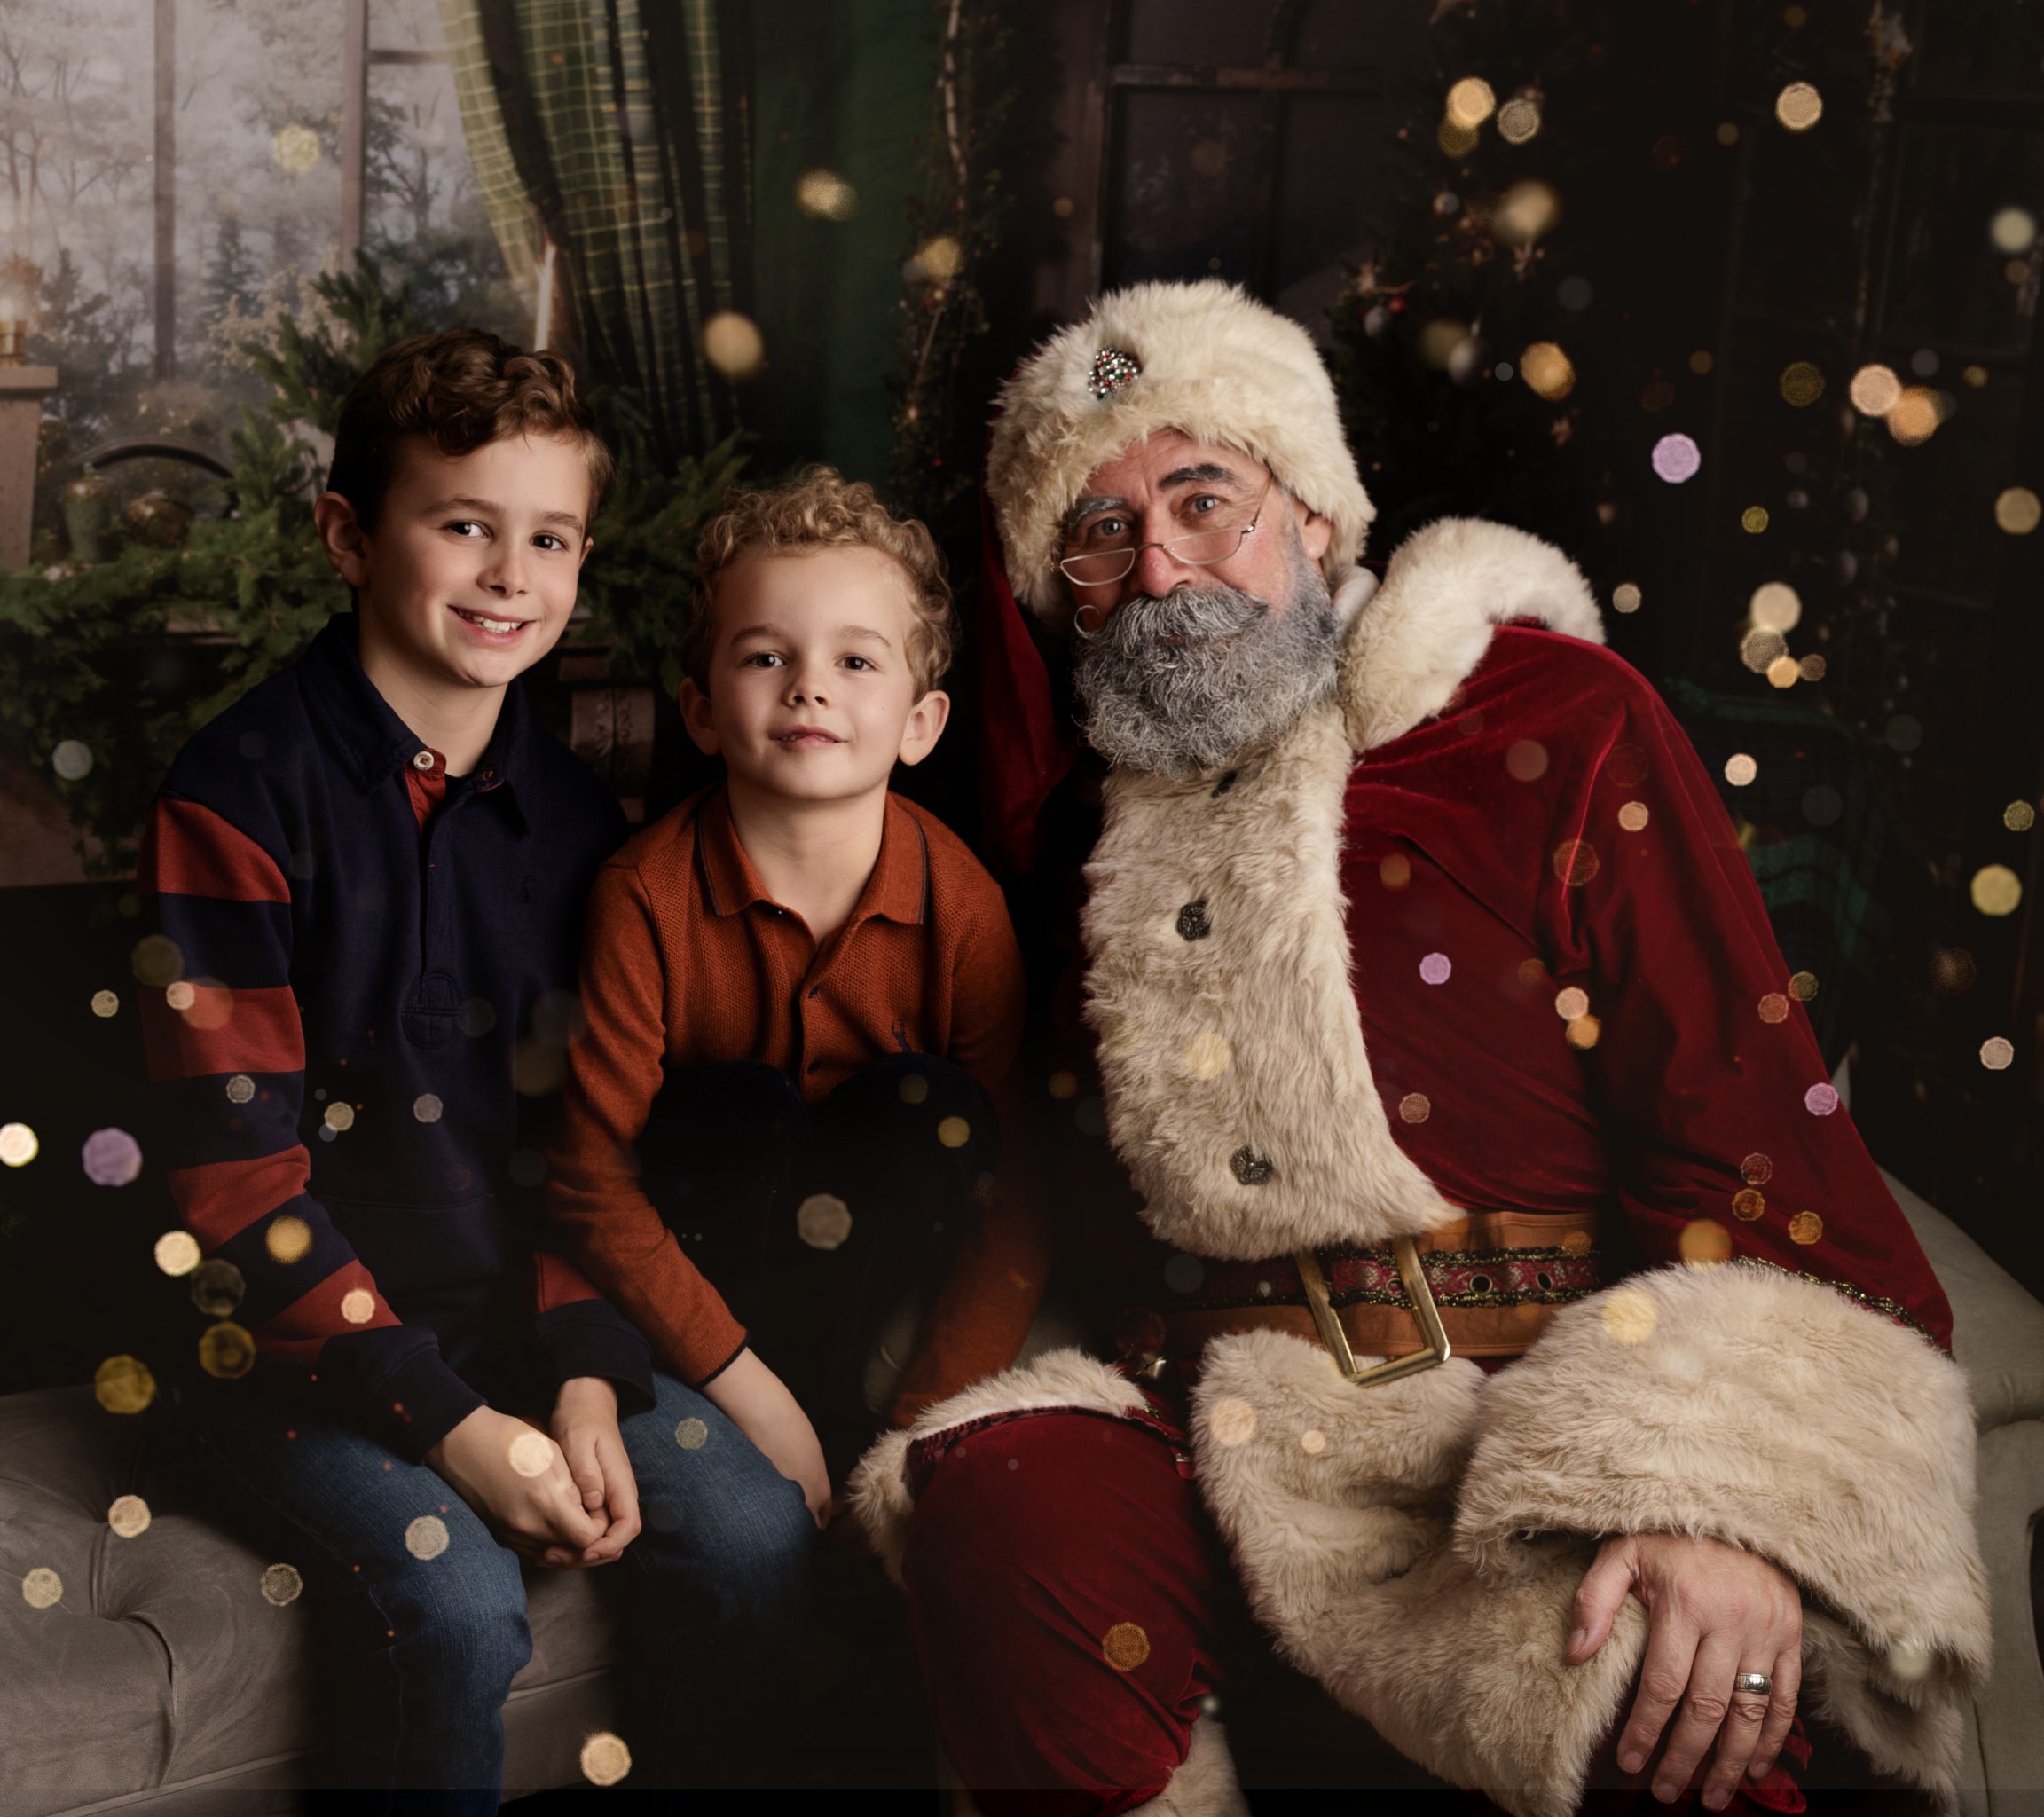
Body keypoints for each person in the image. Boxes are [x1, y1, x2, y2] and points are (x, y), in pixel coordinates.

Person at [848, 279, 1987, 1816]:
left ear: (1315, 519)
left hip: (1528, 1430)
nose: (1162, 564)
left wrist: (1724, 1507)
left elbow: (1753, 1149)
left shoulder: (1553, 720)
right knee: (998, 1505)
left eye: (1205, 499)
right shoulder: (1079, 842)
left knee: (1674, 1696)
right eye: (1099, 535)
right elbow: (1037, 1179)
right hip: (1218, 1421)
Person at [135, 327, 670, 1811]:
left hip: (512, 1331)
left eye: (548, 536)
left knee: (752, 1539)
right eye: (463, 526)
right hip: (277, 1359)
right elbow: (235, 1189)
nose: (511, 575)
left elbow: (591, 1141)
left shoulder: (574, 817)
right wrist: (448, 1424)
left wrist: (575, 1378)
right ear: (348, 536)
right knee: (453, 1604)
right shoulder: (235, 800)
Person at [539, 466, 1050, 1783]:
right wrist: (748, 1392)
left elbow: (1018, 1194)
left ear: (922, 718)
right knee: (739, 1110)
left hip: (885, 1288)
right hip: (705, 1290)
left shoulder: (964, 910)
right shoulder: (643, 898)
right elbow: (590, 1182)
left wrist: (921, 1425)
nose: (810, 687)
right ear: (704, 711)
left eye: (855, 660)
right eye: (767, 657)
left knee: (928, 1111)